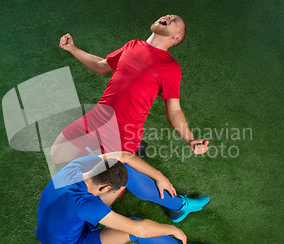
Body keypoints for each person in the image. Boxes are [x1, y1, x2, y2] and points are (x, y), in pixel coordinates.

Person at [50, 14, 209, 164]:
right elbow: (101, 66)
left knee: (108, 188)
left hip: (123, 132)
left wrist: (190, 139)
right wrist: (72, 48)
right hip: (98, 117)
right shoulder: (133, 45)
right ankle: (114, 151)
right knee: (57, 156)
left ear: (176, 38)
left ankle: (131, 151)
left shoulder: (170, 67)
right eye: (168, 15)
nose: (169, 17)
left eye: (175, 20)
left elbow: (174, 110)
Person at [36, 151, 227, 244]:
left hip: (62, 224)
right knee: (134, 229)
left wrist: (159, 176)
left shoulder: (82, 164)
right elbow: (140, 230)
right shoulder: (86, 205)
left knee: (123, 170)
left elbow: (123, 156)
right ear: (103, 190)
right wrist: (172, 230)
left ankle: (178, 206)